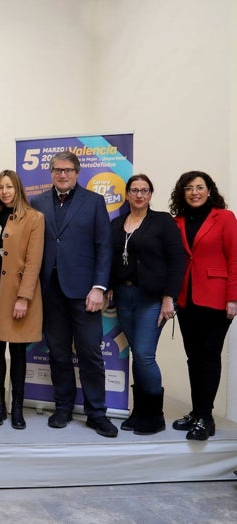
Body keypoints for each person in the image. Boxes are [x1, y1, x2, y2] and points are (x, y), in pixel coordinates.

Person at [31, 151, 117, 438]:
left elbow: (104, 247)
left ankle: (97, 413)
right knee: (57, 352)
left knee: (91, 353)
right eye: (57, 170)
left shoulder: (93, 202)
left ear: (77, 172)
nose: (62, 174)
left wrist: (99, 287)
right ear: (51, 172)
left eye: (67, 170)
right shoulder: (38, 202)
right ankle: (63, 408)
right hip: (50, 291)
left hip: (85, 293)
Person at [108, 174, 186, 435]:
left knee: (144, 354)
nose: (139, 195)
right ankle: (139, 411)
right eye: (134, 190)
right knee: (137, 355)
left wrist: (169, 297)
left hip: (152, 298)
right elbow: (110, 258)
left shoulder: (162, 221)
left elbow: (177, 261)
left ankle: (154, 415)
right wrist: (108, 285)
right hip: (124, 296)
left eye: (144, 190)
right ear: (127, 195)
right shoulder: (117, 224)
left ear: (151, 194)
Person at [169, 171, 237, 441]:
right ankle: (197, 412)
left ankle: (206, 418)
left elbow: (235, 258)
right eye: (189, 188)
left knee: (208, 357)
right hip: (187, 299)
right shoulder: (177, 222)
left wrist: (233, 297)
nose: (194, 192)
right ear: (182, 193)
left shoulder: (225, 218)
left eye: (200, 187)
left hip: (217, 298)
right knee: (193, 358)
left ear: (210, 190)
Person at [0, 170, 44, 430]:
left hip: (16, 294)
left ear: (18, 188)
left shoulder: (34, 218)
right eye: (0, 187)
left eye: (9, 187)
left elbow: (33, 261)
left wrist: (23, 297)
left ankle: (17, 407)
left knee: (17, 351)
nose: (4, 191)